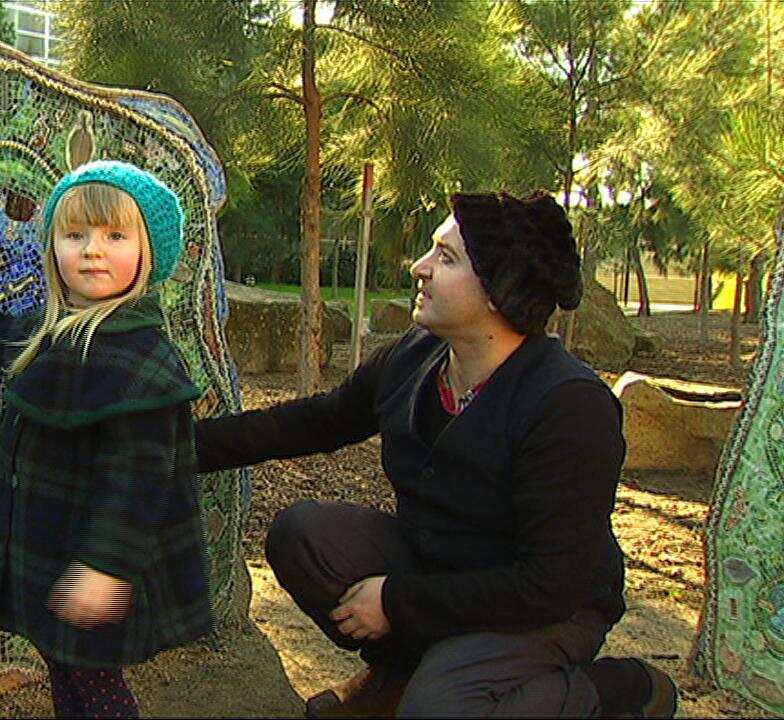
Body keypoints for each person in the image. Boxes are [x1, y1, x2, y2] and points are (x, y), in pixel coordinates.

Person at [196, 191, 679, 718]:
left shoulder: (568, 406)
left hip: (542, 609)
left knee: (442, 711)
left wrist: (395, 601)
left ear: (498, 291)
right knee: (306, 537)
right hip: (442, 568)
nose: (418, 267)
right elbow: (316, 421)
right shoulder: (416, 357)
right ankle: (399, 677)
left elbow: (551, 585)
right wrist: (177, 447)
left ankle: (614, 693)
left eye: (445, 258)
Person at [0, 160, 213, 719]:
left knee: (93, 684)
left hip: (88, 560)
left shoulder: (142, 361)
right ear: (54, 250)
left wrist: (104, 565)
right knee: (63, 665)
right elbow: (18, 344)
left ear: (146, 254)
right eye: (75, 235)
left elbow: (139, 481)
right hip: (51, 550)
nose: (93, 249)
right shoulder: (62, 328)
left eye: (115, 235)